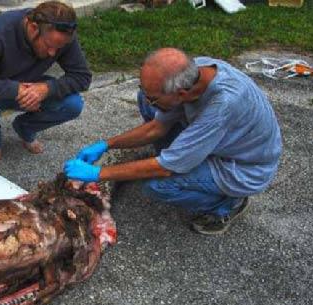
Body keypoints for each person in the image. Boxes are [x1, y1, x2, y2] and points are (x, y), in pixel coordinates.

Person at [64, 48, 282, 235]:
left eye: (154, 96)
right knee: (150, 104)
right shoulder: (198, 69)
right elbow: (157, 127)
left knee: (159, 185)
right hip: (220, 139)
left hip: (243, 166)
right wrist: (106, 144)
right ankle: (184, 154)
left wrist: (98, 174)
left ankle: (229, 203)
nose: (149, 100)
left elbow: (166, 168)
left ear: (182, 93)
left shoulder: (222, 104)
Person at [0, 1, 91, 161]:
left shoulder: (62, 35)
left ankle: (25, 127)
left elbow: (82, 77)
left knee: (73, 105)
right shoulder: (1, 29)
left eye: (59, 48)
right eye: (49, 45)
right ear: (33, 28)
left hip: (32, 85)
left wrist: (46, 89)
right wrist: (17, 90)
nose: (53, 53)